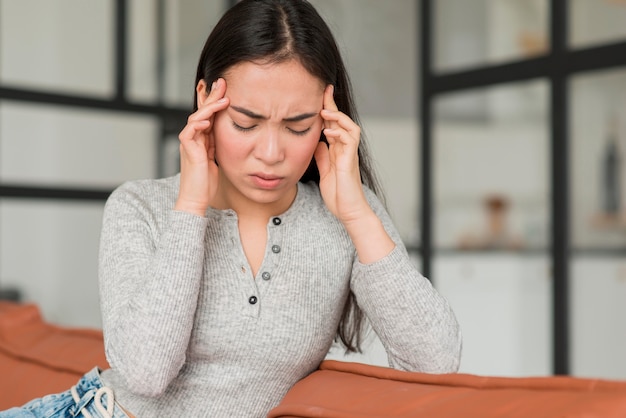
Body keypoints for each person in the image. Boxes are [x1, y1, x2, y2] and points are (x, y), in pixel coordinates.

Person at [0, 0, 461, 416]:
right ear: (206, 101)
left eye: (298, 127)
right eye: (246, 122)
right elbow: (145, 374)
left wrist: (358, 216)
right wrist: (191, 207)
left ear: (329, 118)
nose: (271, 152)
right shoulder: (141, 206)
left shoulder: (349, 214)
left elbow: (436, 364)